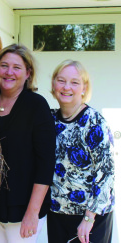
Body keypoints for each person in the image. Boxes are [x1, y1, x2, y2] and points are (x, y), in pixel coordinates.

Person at [0, 44, 56, 243]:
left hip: (24, 209)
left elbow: (45, 163)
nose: (9, 72)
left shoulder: (36, 105)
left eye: (17, 67)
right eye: (4, 66)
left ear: (27, 73)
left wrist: (32, 213)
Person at [47, 60, 114, 243]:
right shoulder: (49, 119)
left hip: (91, 218)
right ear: (53, 85)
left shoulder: (94, 122)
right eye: (61, 80)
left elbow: (106, 173)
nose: (67, 87)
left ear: (84, 88)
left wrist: (88, 218)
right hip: (57, 214)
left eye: (75, 82)